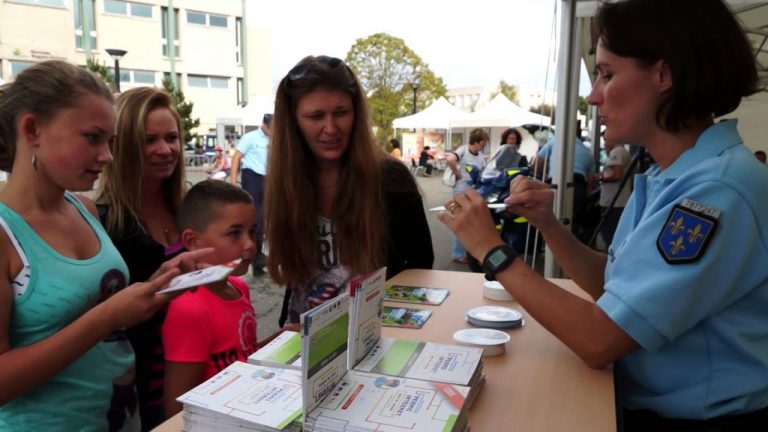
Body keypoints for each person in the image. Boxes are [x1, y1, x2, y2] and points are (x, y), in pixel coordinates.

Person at [439, 0, 768, 429]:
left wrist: (492, 250)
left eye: (608, 74)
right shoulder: (671, 175)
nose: (594, 95)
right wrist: (549, 224)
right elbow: (615, 291)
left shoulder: (716, 192)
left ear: (664, 75)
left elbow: (599, 339)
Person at [0, 60, 208, 430]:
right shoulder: (6, 232)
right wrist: (109, 316)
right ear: (32, 129)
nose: (108, 156)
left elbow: (98, 306)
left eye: (110, 142)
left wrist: (159, 282)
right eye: (93, 138)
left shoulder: (84, 209)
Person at [266, 55, 434, 326]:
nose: (331, 128)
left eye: (341, 112)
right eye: (315, 116)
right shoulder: (286, 182)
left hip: (371, 336)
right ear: (294, 121)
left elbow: (420, 268)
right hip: (300, 338)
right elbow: (298, 278)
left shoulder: (390, 180)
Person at [96, 86, 189, 430]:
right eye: (150, 140)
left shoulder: (188, 206)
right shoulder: (104, 221)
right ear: (123, 146)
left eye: (171, 138)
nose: (165, 150)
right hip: (139, 385)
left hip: (196, 367)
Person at [162, 180, 284, 416]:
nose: (250, 244)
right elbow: (177, 408)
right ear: (191, 241)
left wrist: (281, 337)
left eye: (252, 231)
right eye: (234, 233)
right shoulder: (190, 309)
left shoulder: (238, 287)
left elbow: (240, 356)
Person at [230, 113, 272, 276]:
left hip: (269, 178)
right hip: (253, 176)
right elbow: (236, 158)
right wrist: (233, 183)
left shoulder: (276, 138)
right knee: (256, 218)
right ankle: (255, 261)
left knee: (267, 220)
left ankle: (260, 257)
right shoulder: (250, 137)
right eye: (270, 128)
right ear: (264, 124)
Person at [445, 128, 488, 264]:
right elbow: (450, 159)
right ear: (479, 141)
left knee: (472, 222)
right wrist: (457, 173)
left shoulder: (480, 155)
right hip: (461, 191)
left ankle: (468, 253)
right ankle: (458, 254)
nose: (485, 145)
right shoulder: (463, 150)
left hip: (473, 192)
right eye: (484, 142)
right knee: (462, 220)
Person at [595, 138, 631, 247]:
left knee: (609, 233)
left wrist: (601, 178)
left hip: (613, 201)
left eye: (606, 140)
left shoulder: (617, 152)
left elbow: (617, 175)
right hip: (619, 200)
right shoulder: (622, 151)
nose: (605, 143)